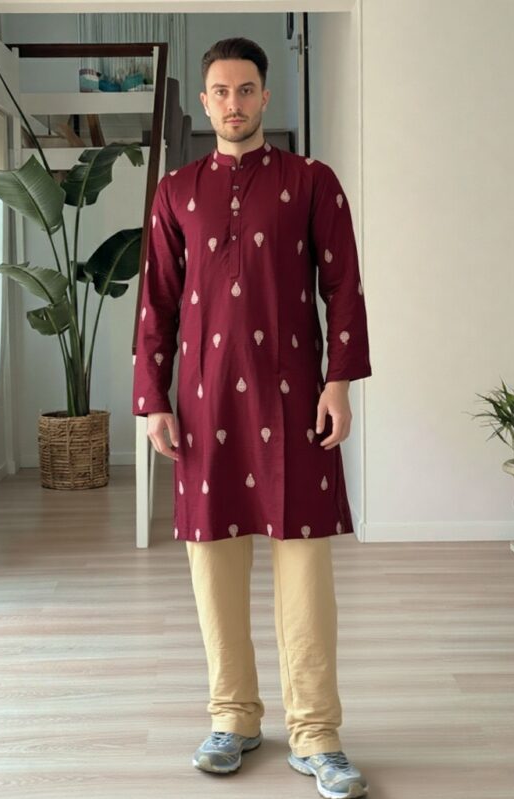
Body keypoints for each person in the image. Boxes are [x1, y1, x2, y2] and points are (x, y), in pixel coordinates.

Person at [132, 36, 371, 799]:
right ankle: (232, 718)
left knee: (305, 576)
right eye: (220, 91)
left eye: (245, 90)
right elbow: (157, 303)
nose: (232, 103)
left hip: (293, 400)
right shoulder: (176, 192)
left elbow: (344, 289)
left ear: (265, 96)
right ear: (205, 102)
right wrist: (153, 399)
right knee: (213, 568)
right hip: (204, 405)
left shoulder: (311, 182)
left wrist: (339, 384)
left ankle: (317, 733)